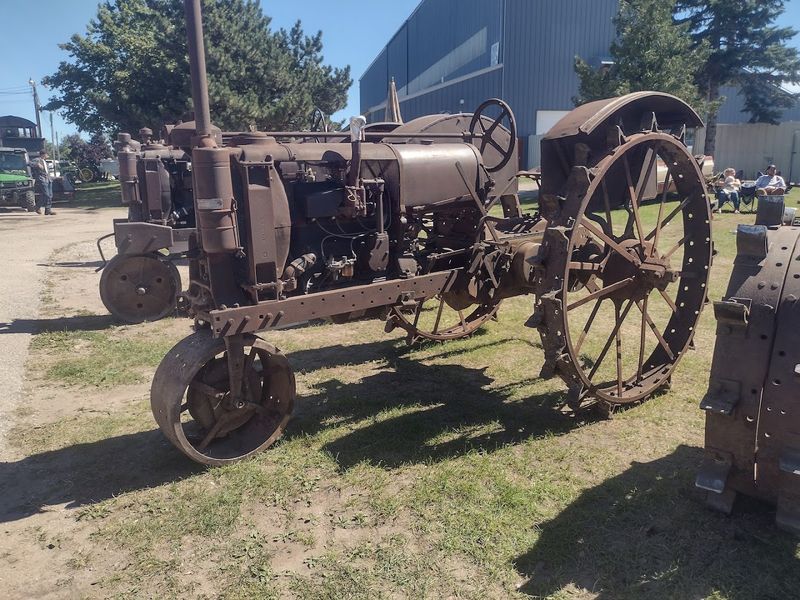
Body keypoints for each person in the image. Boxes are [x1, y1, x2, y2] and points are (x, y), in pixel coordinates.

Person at [29, 150, 55, 215]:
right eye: (47, 154)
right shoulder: (37, 160)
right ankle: (37, 207)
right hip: (42, 179)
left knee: (50, 195)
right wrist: (37, 164)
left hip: (48, 179)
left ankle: (47, 210)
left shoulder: (45, 162)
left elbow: (47, 172)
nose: (47, 156)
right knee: (46, 195)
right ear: (43, 154)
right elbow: (29, 163)